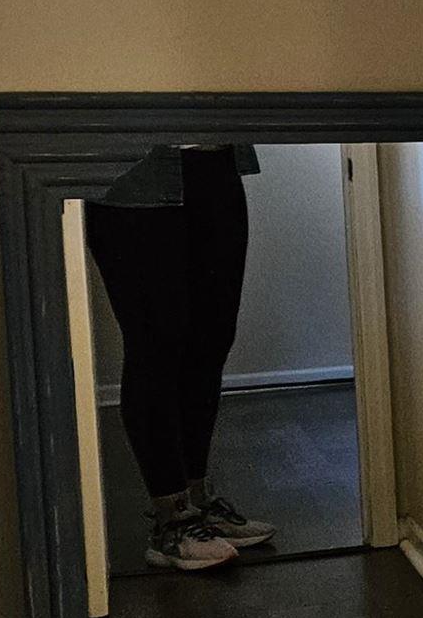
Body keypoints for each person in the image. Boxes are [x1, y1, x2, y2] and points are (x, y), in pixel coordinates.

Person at [84, 143, 279, 572]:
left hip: (215, 163)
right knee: (156, 342)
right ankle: (170, 520)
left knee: (211, 340)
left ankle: (197, 500)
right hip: (135, 178)